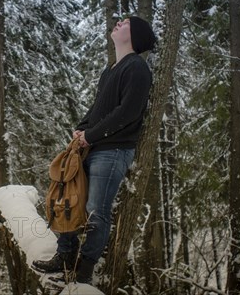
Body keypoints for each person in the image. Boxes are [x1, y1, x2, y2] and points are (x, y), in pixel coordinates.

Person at [33, 16, 157, 284]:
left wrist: (91, 135)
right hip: (91, 148)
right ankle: (65, 254)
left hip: (113, 151)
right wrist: (81, 129)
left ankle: (84, 269)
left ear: (134, 35)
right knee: (68, 199)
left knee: (95, 210)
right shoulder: (111, 70)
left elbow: (128, 112)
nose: (118, 24)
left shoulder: (137, 68)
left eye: (124, 23)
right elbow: (98, 109)